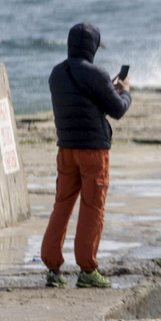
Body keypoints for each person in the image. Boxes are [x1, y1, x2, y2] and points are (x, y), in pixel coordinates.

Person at [40, 22, 131, 288]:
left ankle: (53, 268)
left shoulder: (56, 73)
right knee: (92, 208)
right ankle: (88, 270)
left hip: (66, 150)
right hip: (94, 152)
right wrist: (124, 92)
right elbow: (117, 110)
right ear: (92, 47)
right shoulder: (97, 74)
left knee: (62, 205)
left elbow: (81, 103)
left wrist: (106, 89)